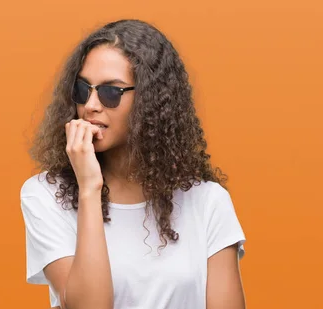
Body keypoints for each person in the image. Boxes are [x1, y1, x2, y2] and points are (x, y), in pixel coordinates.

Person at [19, 19, 247, 309]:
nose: (90, 105)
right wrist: (89, 188)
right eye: (82, 88)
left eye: (110, 92)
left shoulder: (207, 202)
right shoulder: (45, 195)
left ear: (151, 101)